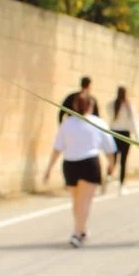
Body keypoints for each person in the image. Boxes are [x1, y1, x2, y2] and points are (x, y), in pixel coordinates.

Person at [44, 93, 117, 247]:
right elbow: (109, 147)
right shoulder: (98, 122)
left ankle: (82, 229)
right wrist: (111, 164)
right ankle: (77, 233)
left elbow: (57, 148)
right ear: (91, 106)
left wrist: (49, 169)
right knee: (84, 202)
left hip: (70, 165)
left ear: (75, 106)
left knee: (77, 201)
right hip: (89, 164)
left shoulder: (67, 123)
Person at [107, 86, 137, 194]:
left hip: (114, 133)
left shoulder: (111, 104)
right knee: (123, 161)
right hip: (125, 134)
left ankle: (108, 178)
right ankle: (121, 185)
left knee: (113, 160)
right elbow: (133, 122)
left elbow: (109, 115)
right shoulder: (129, 106)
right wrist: (137, 138)